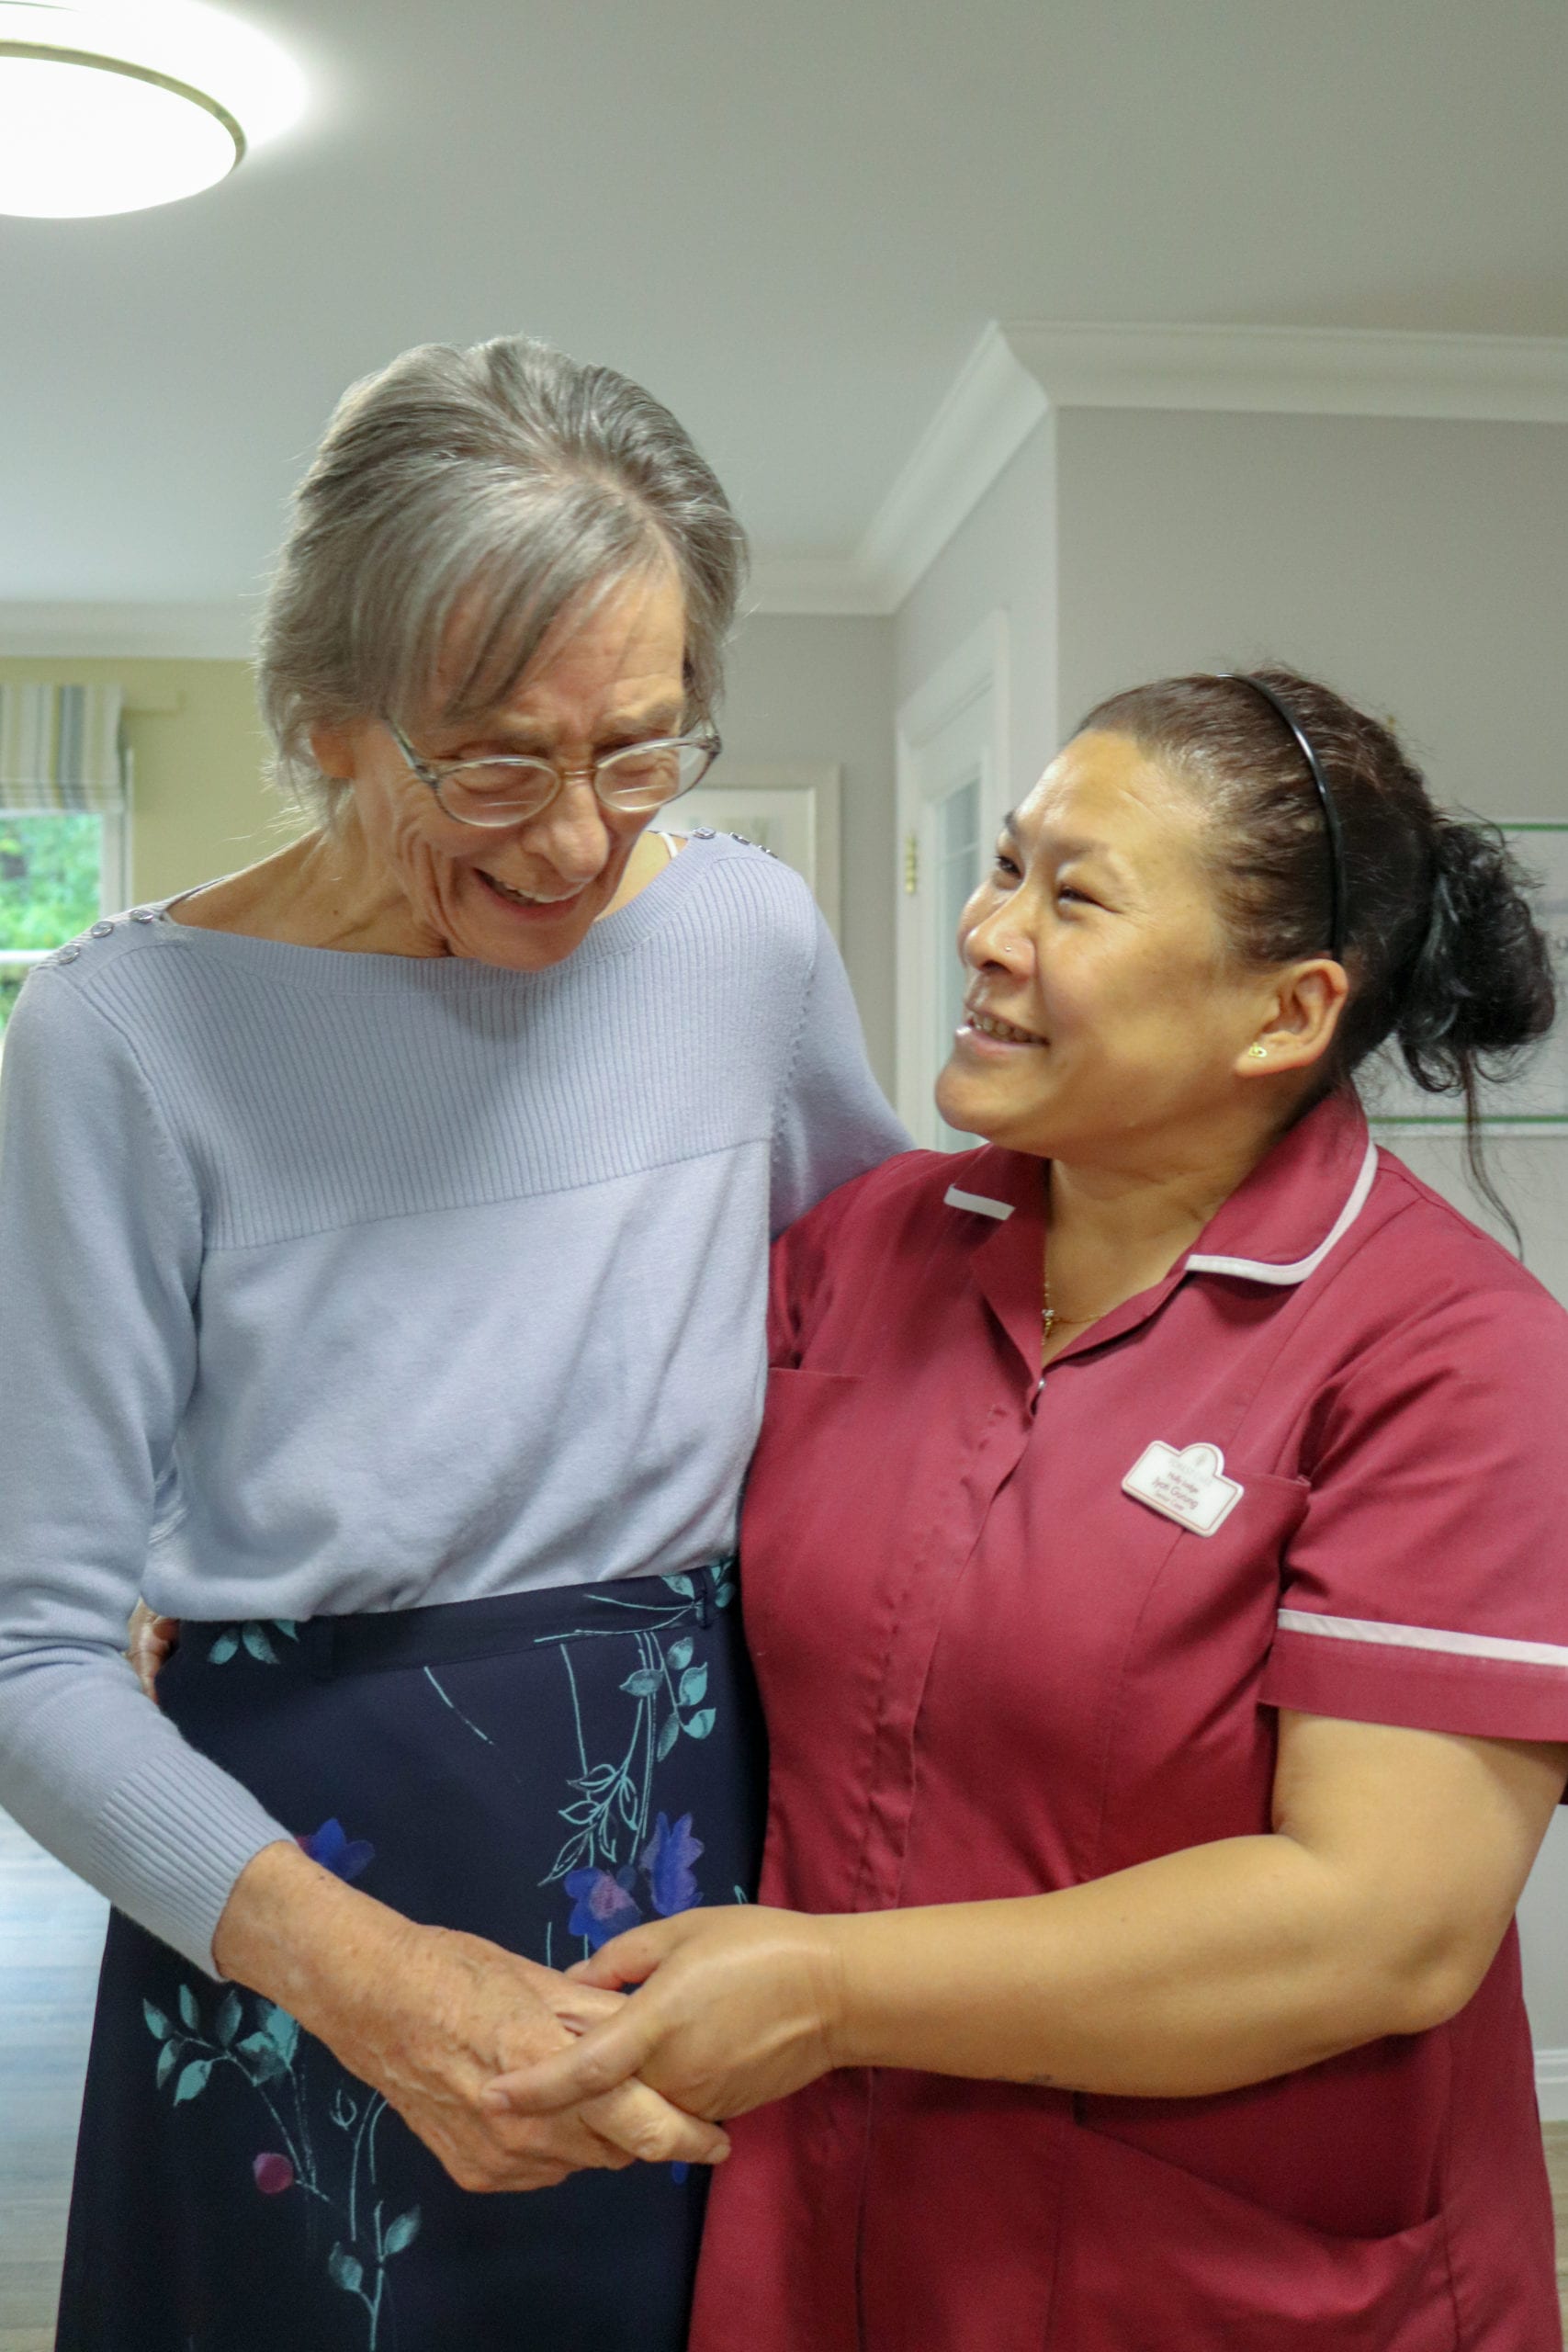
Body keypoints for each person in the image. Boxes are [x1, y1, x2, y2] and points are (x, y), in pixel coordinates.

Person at [0, 334, 905, 2352]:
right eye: (494, 764)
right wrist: (374, 1985)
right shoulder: (121, 1036)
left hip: (678, 1824)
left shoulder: (742, 942)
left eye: (640, 752)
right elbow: (28, 1657)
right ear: (326, 718)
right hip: (287, 1887)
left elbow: (893, 1330)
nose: (573, 842)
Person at [493, 669, 1568, 2350]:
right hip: (829, 2225)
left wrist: (831, 1991)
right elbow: (577, 1479)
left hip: (1219, 2280)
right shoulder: (868, 1248)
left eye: (1076, 899)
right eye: (1007, 866)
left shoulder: (1455, 1358)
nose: (989, 934)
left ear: (1283, 1014)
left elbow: (1378, 1928)